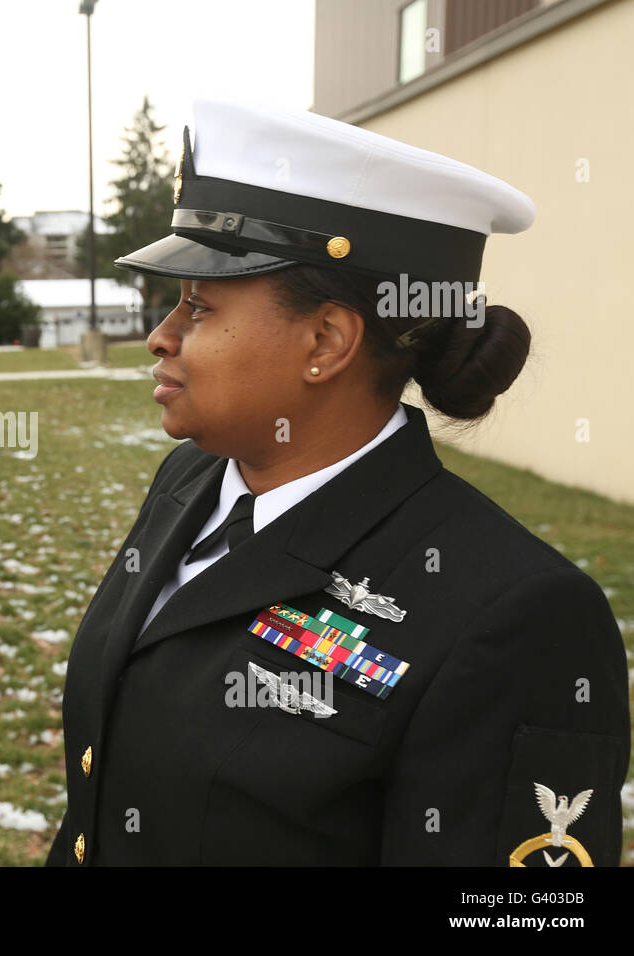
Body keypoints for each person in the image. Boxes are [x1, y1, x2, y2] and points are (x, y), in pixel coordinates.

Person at [46, 99, 630, 866]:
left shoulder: (514, 614)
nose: (160, 336)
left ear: (326, 340)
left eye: (198, 305)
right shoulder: (194, 480)